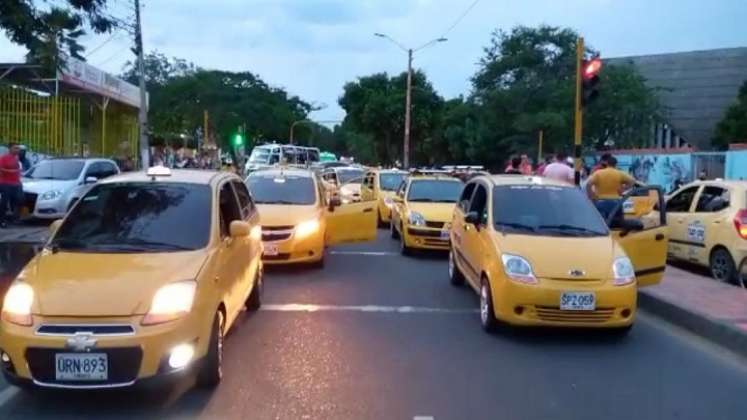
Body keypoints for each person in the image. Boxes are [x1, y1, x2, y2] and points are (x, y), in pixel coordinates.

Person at [585, 155, 636, 220]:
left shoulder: (598, 173)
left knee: (602, 224)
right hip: (615, 203)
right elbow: (632, 181)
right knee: (616, 225)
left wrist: (591, 195)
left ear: (607, 163)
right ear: (616, 164)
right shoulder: (619, 173)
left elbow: (588, 184)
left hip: (600, 202)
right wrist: (623, 189)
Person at [0, 143, 23, 228]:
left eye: (18, 148)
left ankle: (15, 218)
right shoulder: (4, 158)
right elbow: (0, 168)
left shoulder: (16, 158)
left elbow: (18, 170)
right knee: (4, 203)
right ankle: (2, 221)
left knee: (19, 200)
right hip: (5, 183)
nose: (18, 150)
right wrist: (10, 171)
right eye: (15, 148)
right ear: (10, 149)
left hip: (16, 183)